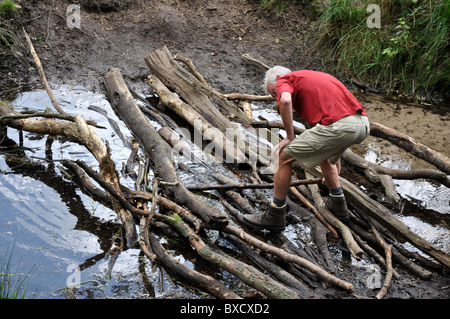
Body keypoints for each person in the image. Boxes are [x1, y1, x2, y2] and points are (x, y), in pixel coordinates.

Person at [242, 66, 370, 233]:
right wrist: (335, 164)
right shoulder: (314, 78)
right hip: (362, 125)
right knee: (322, 152)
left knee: (282, 157)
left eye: (273, 93)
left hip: (342, 127)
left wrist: (289, 136)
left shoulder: (284, 80)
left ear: (278, 78)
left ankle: (275, 214)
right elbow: (329, 129)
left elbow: (286, 101)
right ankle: (339, 206)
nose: (276, 98)